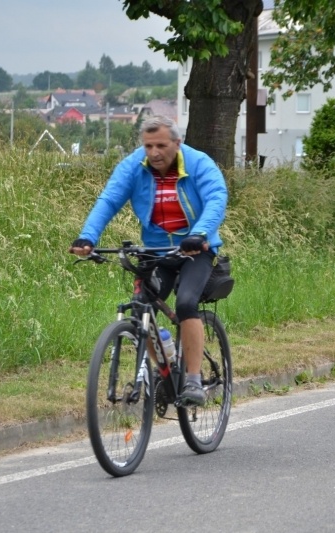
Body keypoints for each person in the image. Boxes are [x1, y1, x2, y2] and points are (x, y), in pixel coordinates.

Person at [69, 115, 228, 406]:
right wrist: (87, 237)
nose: (154, 153)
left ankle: (193, 380)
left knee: (186, 303)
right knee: (141, 307)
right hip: (154, 251)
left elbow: (217, 196)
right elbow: (109, 200)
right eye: (148, 146)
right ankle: (167, 362)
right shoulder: (134, 165)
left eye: (161, 146)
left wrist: (200, 233)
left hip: (194, 249)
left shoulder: (198, 163)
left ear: (177, 143)